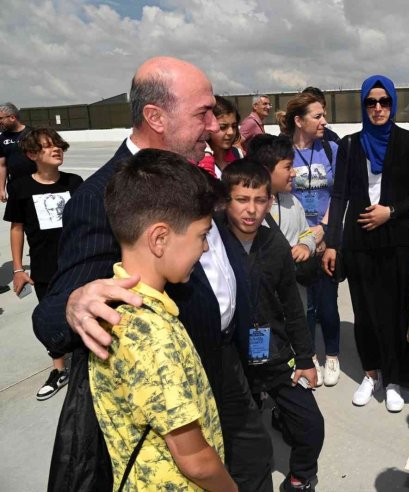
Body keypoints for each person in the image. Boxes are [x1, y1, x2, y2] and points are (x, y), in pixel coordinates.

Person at [32, 57, 273, 492]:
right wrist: (73, 303)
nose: (214, 126)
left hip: (223, 362)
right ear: (155, 117)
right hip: (173, 388)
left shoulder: (195, 170)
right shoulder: (101, 195)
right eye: (202, 113)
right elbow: (51, 317)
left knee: (254, 459)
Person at [90, 149, 236, 491]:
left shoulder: (116, 304)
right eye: (202, 235)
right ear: (159, 238)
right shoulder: (148, 333)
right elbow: (195, 461)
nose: (204, 249)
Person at [322, 74, 409, 412]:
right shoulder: (350, 145)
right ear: (363, 105)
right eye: (371, 102)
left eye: (384, 101)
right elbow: (339, 194)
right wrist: (332, 243)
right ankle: (372, 373)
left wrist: (392, 211)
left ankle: (397, 378)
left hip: (397, 240)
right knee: (366, 313)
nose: (378, 108)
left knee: (398, 313)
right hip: (359, 243)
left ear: (393, 104)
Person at [223, 160, 324, 492]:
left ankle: (300, 478)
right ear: (226, 200)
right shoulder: (210, 242)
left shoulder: (275, 244)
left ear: (269, 201)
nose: (251, 210)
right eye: (241, 199)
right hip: (229, 361)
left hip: (274, 352)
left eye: (259, 200)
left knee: (311, 425)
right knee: (245, 446)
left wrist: (306, 359)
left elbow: (293, 308)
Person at [3, 128, 82, 400]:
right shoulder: (21, 188)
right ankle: (59, 369)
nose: (56, 149)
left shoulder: (74, 182)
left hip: (77, 265)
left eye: (58, 145)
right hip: (44, 268)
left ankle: (89, 366)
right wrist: (17, 269)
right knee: (51, 321)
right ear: (32, 154)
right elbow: (17, 228)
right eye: (48, 146)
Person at [277, 92, 342, 387]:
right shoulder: (284, 152)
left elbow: (341, 194)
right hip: (295, 239)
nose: (324, 121)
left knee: (328, 302)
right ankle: (308, 355)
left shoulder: (331, 149)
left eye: (323, 114)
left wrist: (324, 231)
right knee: (302, 305)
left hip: (326, 237)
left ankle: (332, 355)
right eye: (317, 116)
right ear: (299, 121)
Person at [198, 95, 243, 179]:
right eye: (223, 127)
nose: (231, 132)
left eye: (234, 126)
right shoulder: (197, 158)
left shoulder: (238, 155)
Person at [0, 102, 36, 202]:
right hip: (15, 186)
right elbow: (2, 165)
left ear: (12, 117)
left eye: (1, 118)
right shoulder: (2, 138)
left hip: (36, 184)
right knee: (17, 217)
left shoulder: (33, 134)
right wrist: (1, 189)